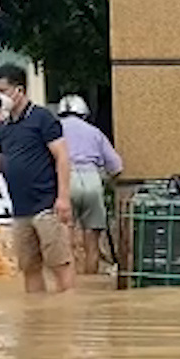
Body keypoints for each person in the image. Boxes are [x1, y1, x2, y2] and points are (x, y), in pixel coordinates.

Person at [0, 64, 74, 293]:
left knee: (59, 264)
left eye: (2, 91)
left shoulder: (42, 118)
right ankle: (37, 320)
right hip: (20, 209)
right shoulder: (3, 127)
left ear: (19, 90)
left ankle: (68, 318)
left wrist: (63, 198)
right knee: (29, 267)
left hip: (47, 205)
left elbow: (62, 157)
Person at [56, 94, 123, 276]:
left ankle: (71, 288)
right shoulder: (94, 132)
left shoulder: (54, 130)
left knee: (66, 242)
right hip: (93, 181)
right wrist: (106, 184)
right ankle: (90, 282)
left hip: (65, 180)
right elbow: (116, 167)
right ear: (84, 113)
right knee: (91, 245)